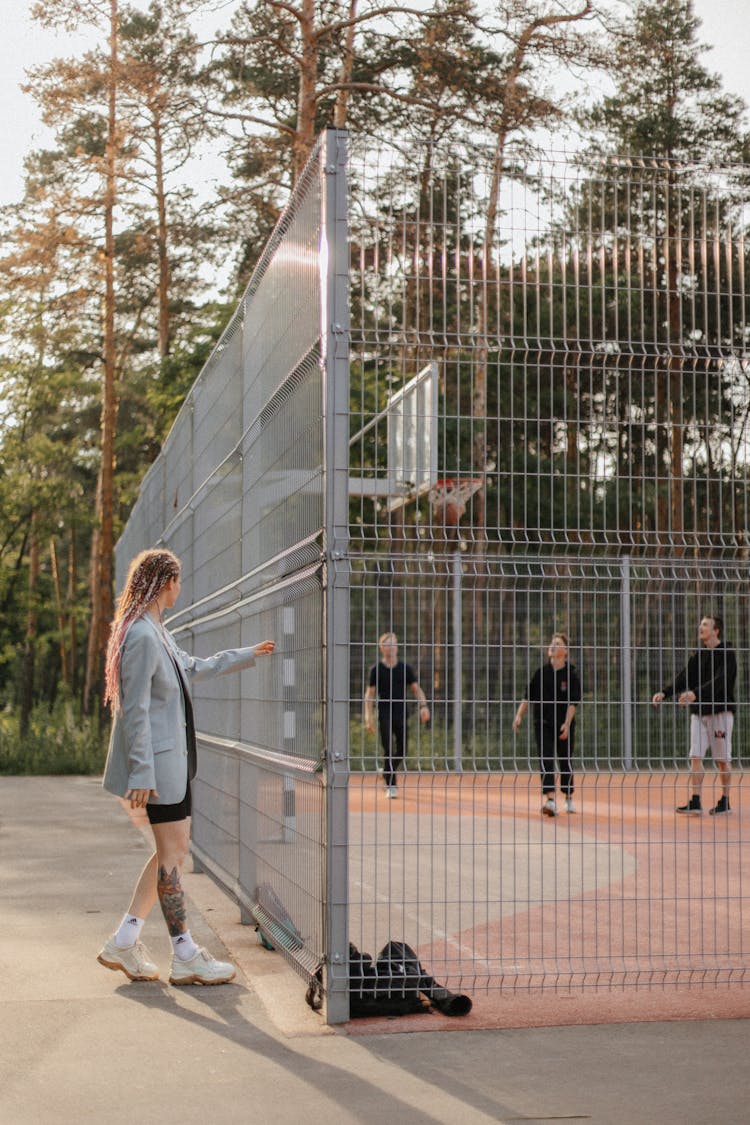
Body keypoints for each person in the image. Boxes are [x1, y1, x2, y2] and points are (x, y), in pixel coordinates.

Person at [97, 548, 275, 984]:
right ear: (165, 583)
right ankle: (185, 953)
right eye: (177, 581)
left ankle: (124, 941)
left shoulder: (156, 629)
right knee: (173, 856)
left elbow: (193, 667)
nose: (180, 589)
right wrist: (141, 773)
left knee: (168, 852)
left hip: (172, 765)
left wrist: (246, 654)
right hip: (158, 770)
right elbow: (134, 709)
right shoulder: (141, 635)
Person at [652, 615, 736, 816]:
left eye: (705, 624)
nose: (700, 627)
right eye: (700, 624)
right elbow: (684, 677)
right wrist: (665, 692)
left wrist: (696, 693)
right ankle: (696, 801)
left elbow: (721, 681)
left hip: (720, 714)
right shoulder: (698, 656)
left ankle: (725, 800)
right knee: (695, 756)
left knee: (722, 759)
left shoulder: (727, 654)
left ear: (716, 630)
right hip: (699, 714)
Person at [513, 633, 581, 817]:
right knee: (546, 758)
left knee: (565, 759)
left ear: (565, 651)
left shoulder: (571, 674)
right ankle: (550, 800)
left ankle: (568, 797)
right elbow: (527, 696)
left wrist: (567, 724)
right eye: (551, 643)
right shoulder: (541, 673)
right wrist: (519, 715)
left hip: (563, 724)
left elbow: (573, 703)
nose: (553, 646)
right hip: (543, 723)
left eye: (558, 643)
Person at [364, 632, 430, 798]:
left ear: (397, 647)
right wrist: (368, 716)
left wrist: (424, 706)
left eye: (393, 643)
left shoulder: (405, 669)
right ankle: (391, 785)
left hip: (401, 713)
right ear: (382, 648)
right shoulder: (376, 670)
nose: (391, 647)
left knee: (402, 750)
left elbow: (416, 689)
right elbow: (369, 695)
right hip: (384, 714)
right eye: (387, 644)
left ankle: (386, 770)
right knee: (388, 749)